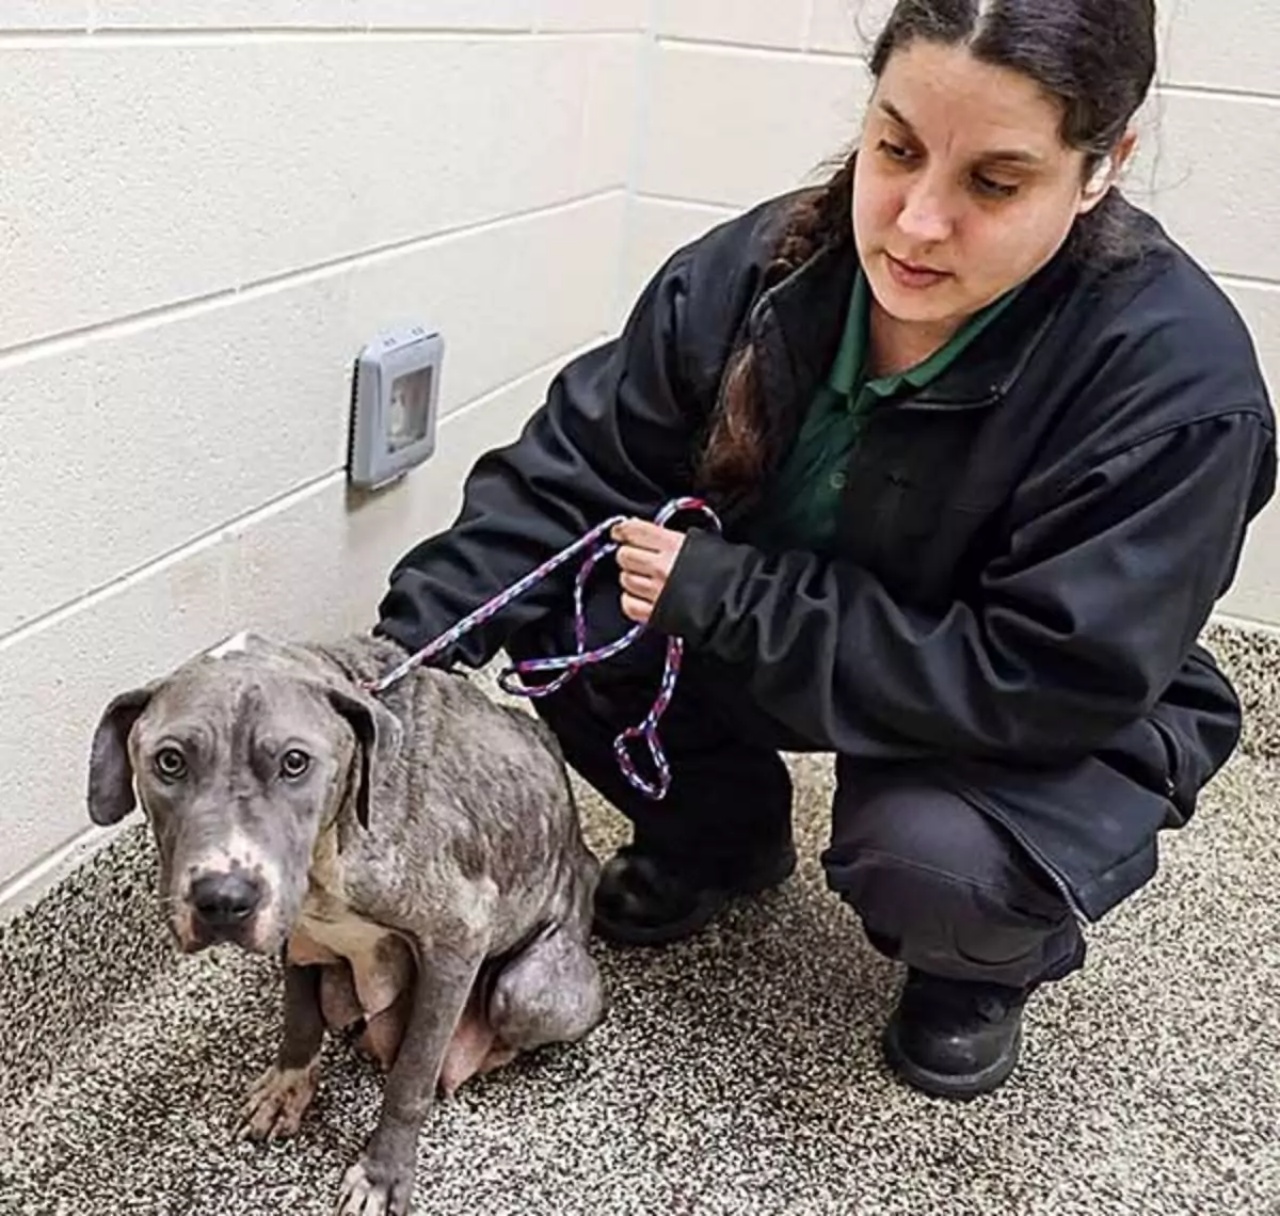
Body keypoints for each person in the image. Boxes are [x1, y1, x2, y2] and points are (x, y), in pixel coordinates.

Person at [371, 0, 1277, 1100]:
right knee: (572, 608)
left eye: (992, 183)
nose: (914, 224)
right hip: (806, 618)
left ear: (1101, 167)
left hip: (1029, 704)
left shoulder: (1174, 391)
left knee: (932, 859)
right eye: (894, 149)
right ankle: (718, 837)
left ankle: (979, 965)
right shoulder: (757, 270)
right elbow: (571, 475)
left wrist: (734, 598)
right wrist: (384, 669)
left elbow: (1049, 676)